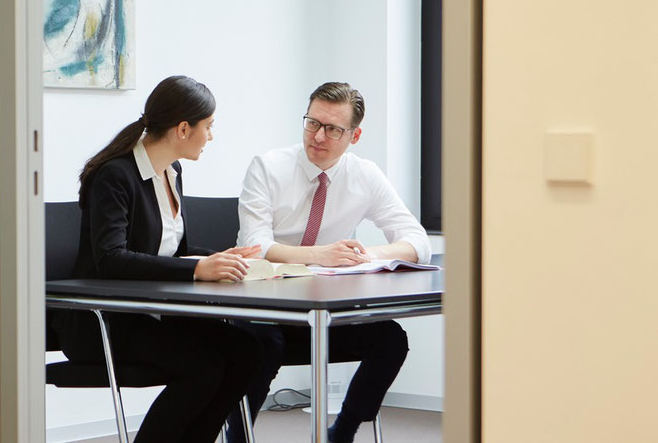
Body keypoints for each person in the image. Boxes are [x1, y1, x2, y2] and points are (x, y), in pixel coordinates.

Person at [52, 75, 264, 443]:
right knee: (204, 366)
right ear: (184, 129)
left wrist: (221, 259)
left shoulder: (172, 171)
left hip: (150, 315)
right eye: (208, 127)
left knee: (247, 350)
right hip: (104, 320)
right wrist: (197, 269)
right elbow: (111, 259)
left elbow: (173, 252)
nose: (211, 136)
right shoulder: (115, 175)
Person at [226, 81, 432, 443]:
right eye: (312, 123)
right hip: (262, 307)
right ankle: (238, 437)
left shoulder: (364, 175)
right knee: (262, 345)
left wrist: (365, 255)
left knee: (390, 341)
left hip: (323, 311)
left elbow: (417, 241)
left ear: (354, 135)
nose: (318, 136)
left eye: (333, 129)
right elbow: (256, 245)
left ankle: (342, 434)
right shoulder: (268, 167)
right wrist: (319, 255)